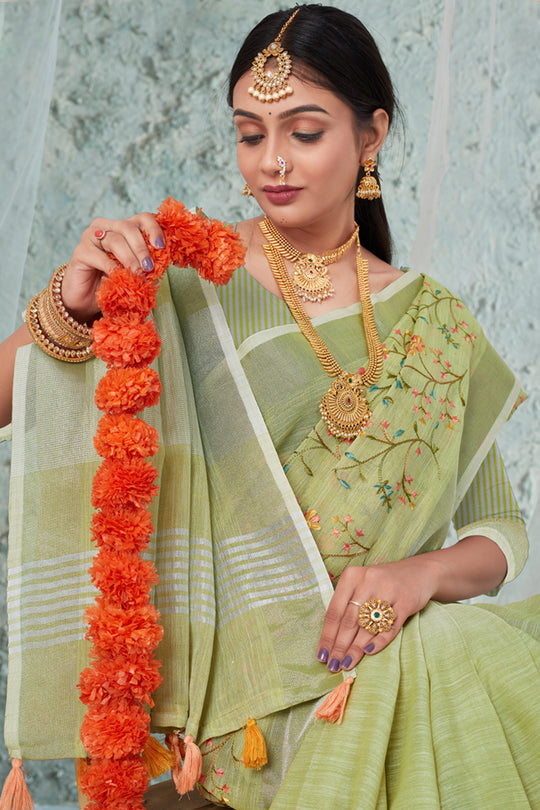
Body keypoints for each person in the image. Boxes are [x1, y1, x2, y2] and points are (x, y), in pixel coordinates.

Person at [0, 5, 538, 810]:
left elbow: (501, 533)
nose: (272, 162)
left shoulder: (436, 323)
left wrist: (417, 575)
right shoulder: (180, 276)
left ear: (371, 137)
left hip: (378, 681)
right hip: (233, 728)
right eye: (250, 135)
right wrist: (71, 307)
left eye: (305, 132)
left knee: (454, 652)